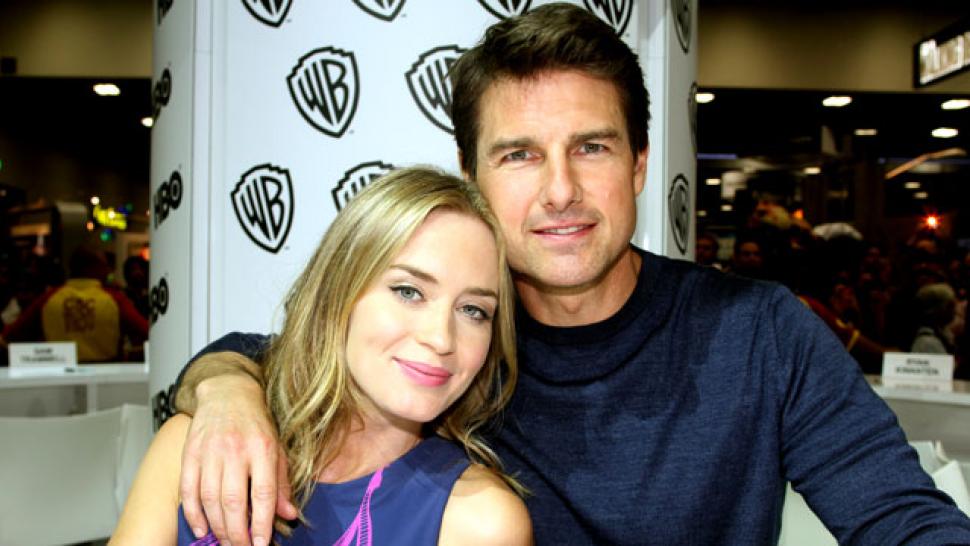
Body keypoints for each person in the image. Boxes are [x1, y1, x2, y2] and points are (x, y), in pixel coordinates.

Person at [169, 4, 970, 545]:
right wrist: (226, 392)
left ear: (639, 164)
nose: (560, 191)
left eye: (591, 147)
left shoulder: (759, 332)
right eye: (520, 155)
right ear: (473, 176)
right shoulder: (450, 347)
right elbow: (269, 353)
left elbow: (902, 518)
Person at [111, 168, 532, 545]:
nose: (441, 338)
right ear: (339, 292)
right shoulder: (201, 443)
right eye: (408, 291)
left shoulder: (479, 522)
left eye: (473, 310)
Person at [2, 245, 148, 362]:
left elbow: (9, 337)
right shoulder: (115, 300)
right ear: (93, 268)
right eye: (105, 266)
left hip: (58, 376)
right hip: (106, 375)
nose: (108, 271)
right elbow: (146, 333)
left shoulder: (48, 299)